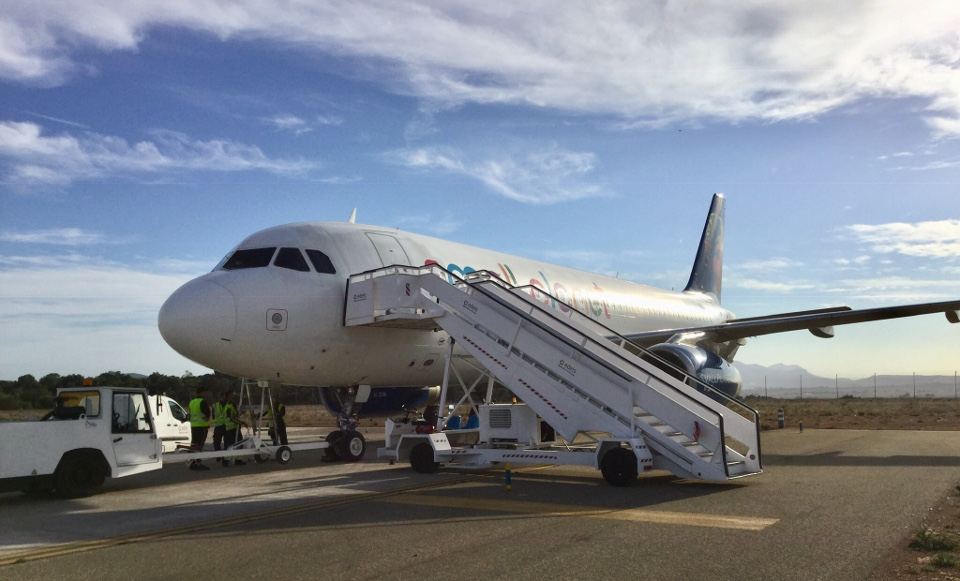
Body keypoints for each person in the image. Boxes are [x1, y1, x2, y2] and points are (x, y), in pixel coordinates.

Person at [188, 387, 213, 471]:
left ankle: (192, 462)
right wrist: (207, 419)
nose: (206, 394)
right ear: (202, 393)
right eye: (205, 392)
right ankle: (198, 463)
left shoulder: (192, 402)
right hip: (201, 427)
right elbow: (207, 413)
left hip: (194, 426)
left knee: (194, 444)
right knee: (199, 446)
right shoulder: (202, 402)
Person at [222, 390, 246, 467]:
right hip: (231, 428)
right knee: (231, 445)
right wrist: (242, 423)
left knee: (239, 444)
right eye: (233, 394)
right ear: (229, 396)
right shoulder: (229, 406)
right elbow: (231, 418)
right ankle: (226, 460)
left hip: (235, 428)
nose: (235, 396)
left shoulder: (233, 405)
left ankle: (238, 459)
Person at [212, 391, 228, 460]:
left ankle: (225, 457)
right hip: (219, 426)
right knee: (216, 442)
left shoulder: (228, 404)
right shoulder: (215, 405)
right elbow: (213, 415)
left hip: (226, 426)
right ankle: (218, 455)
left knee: (226, 442)